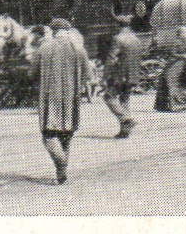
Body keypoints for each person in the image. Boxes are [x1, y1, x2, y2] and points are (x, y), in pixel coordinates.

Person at [34, 18, 90, 184]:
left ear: (53, 31)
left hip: (49, 98)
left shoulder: (44, 47)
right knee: (66, 135)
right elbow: (88, 75)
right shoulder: (78, 48)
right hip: (71, 99)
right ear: (68, 31)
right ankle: (62, 170)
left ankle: (61, 163)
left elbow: (32, 73)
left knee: (49, 135)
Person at [103, 14, 143, 138]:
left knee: (109, 97)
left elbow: (111, 58)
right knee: (124, 100)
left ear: (118, 25)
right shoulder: (136, 39)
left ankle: (126, 119)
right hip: (133, 74)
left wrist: (106, 75)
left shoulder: (117, 39)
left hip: (120, 75)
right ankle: (125, 131)